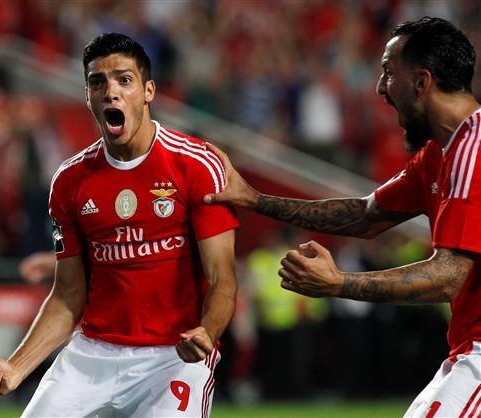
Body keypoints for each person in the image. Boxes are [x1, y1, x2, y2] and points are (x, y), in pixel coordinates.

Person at [204, 17, 481, 418]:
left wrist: (339, 283)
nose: (381, 87)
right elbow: (366, 215)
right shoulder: (441, 152)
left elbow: (449, 275)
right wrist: (255, 200)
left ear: (422, 82)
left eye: (389, 73)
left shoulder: (472, 150)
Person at [0, 33, 238, 418]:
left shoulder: (196, 165)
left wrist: (207, 331)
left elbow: (222, 278)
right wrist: (16, 367)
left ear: (148, 91)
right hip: (92, 354)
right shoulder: (69, 181)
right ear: (88, 96)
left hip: (174, 355)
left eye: (124, 80)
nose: (110, 92)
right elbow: (67, 295)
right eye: (98, 82)